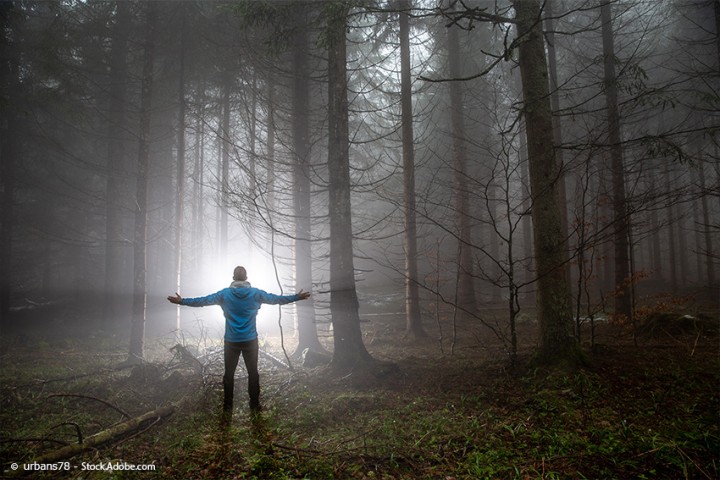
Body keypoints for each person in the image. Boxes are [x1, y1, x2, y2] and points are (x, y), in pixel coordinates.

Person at [167, 266, 310, 415]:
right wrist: (296, 297)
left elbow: (203, 300)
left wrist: (181, 301)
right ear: (246, 277)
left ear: (233, 278)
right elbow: (276, 299)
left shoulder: (224, 294)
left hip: (231, 341)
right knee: (253, 373)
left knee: (229, 374)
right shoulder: (256, 293)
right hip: (250, 340)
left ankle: (227, 407)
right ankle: (254, 406)